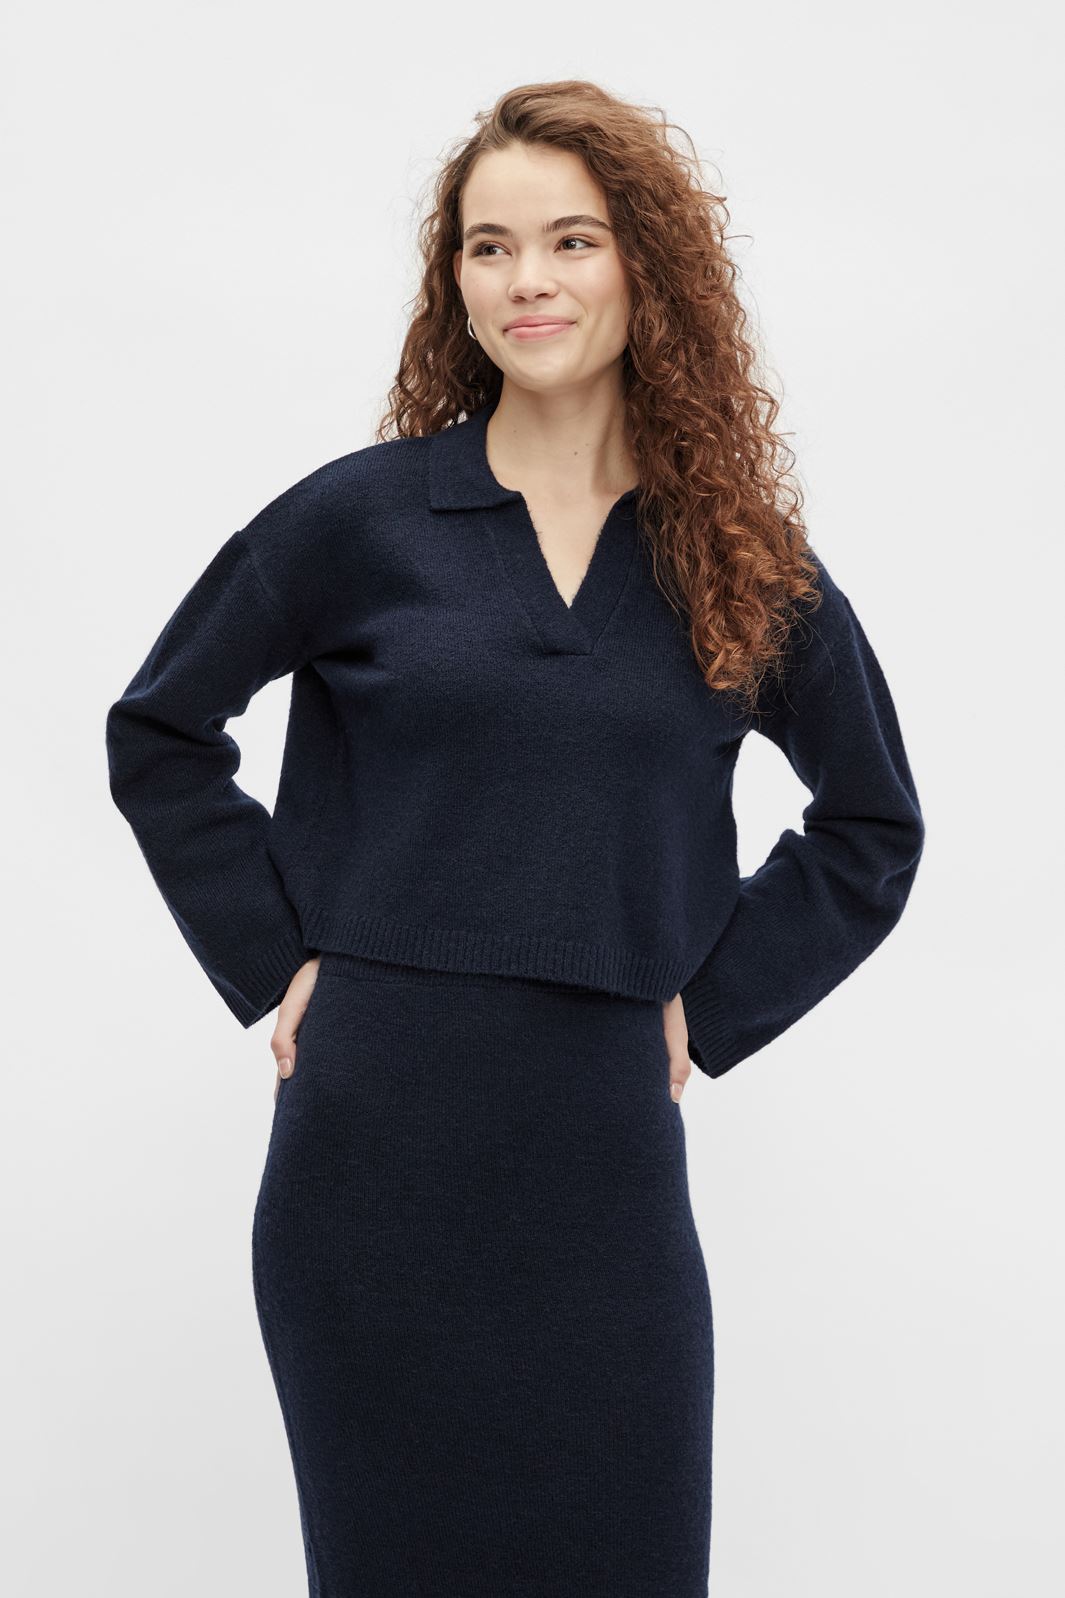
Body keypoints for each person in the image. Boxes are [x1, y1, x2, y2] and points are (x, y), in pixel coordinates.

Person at [104, 80, 925, 1597]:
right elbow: (159, 729)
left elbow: (871, 821)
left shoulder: (731, 555)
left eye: (570, 240)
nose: (526, 280)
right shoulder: (358, 522)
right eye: (489, 247)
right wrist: (273, 957)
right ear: (456, 281)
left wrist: (712, 1003)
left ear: (646, 268)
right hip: (370, 1152)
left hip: (603, 1158)